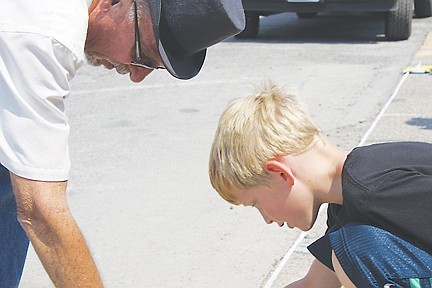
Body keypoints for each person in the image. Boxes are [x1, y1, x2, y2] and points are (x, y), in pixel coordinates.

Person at [0, 0, 245, 287]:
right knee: (26, 180)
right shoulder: (46, 34)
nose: (137, 76)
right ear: (113, 3)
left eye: (154, 67)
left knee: (17, 166)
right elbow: (42, 215)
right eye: (141, 55)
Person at [208, 82, 432, 288]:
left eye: (256, 203)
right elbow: (312, 285)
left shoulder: (377, 189)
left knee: (356, 249)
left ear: (281, 174)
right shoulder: (346, 205)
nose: (267, 219)